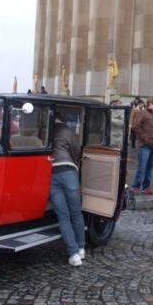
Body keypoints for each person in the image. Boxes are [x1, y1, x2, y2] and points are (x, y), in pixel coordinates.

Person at [50, 110, 86, 266]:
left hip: (51, 172)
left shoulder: (46, 131)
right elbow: (76, 151)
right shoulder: (67, 131)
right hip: (68, 169)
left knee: (63, 216)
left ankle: (73, 254)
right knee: (76, 212)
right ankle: (81, 248)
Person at [131, 98, 153, 195]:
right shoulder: (143, 113)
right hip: (145, 146)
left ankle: (146, 187)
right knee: (142, 167)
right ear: (150, 104)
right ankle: (136, 187)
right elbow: (135, 126)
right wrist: (144, 138)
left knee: (150, 167)